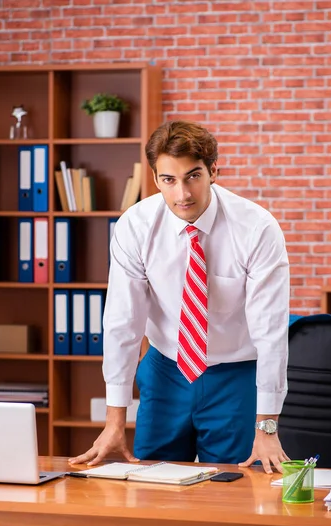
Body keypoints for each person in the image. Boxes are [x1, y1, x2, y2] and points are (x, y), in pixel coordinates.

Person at [69, 120, 290, 474]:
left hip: (235, 374)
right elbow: (123, 323)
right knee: (151, 482)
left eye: (193, 176)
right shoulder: (136, 226)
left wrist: (267, 427)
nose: (182, 194)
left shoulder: (257, 229)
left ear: (214, 171)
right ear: (155, 179)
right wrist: (114, 419)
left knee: (233, 485)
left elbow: (271, 332)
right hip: (166, 367)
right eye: (169, 180)